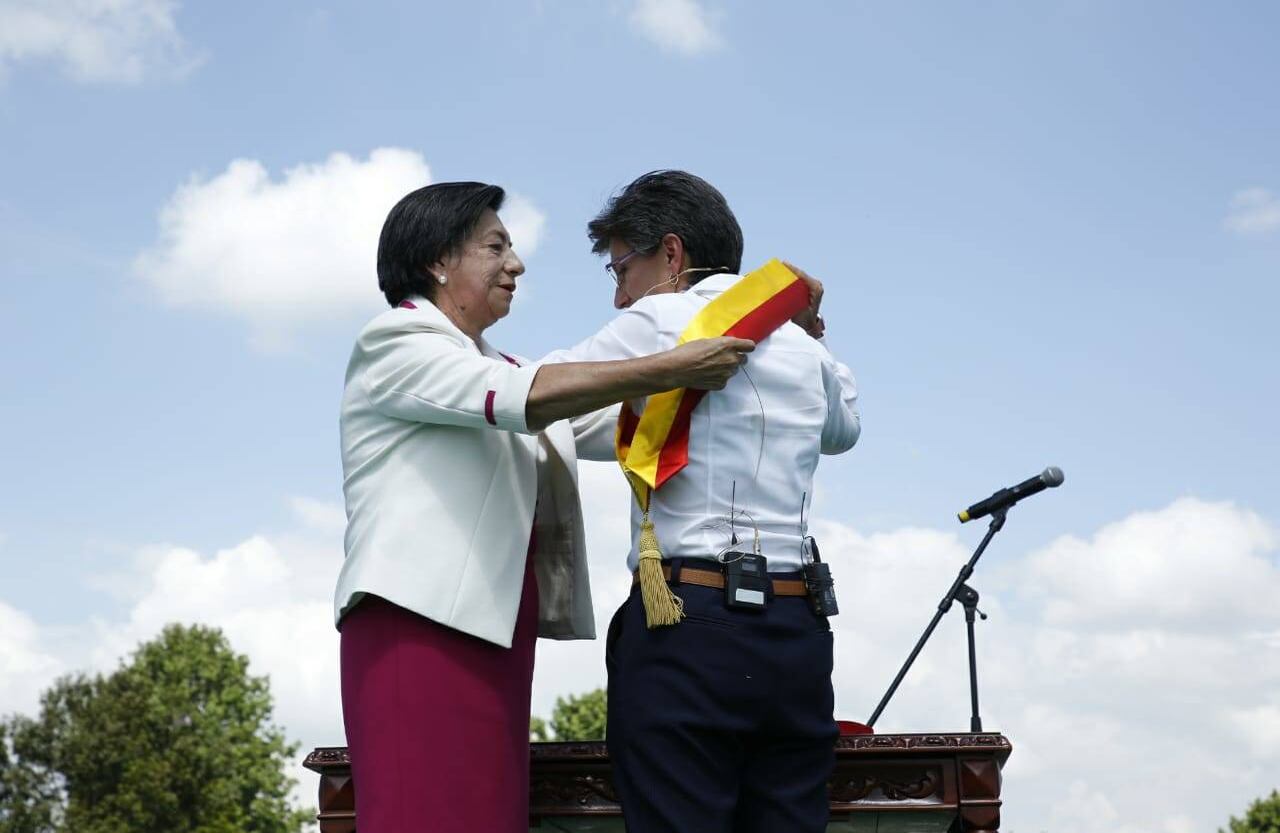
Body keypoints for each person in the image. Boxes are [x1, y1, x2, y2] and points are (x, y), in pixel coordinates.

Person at [335, 180, 755, 833]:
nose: (517, 263)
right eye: (496, 245)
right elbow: (525, 397)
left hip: (496, 636)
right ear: (439, 261)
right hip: (415, 628)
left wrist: (769, 337)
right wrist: (672, 363)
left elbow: (615, 422)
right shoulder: (397, 340)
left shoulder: (502, 363)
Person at [544, 170, 860, 832]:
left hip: (690, 623)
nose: (619, 296)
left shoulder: (658, 319)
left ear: (671, 253)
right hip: (798, 629)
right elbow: (843, 432)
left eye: (621, 268)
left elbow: (547, 404)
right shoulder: (805, 346)